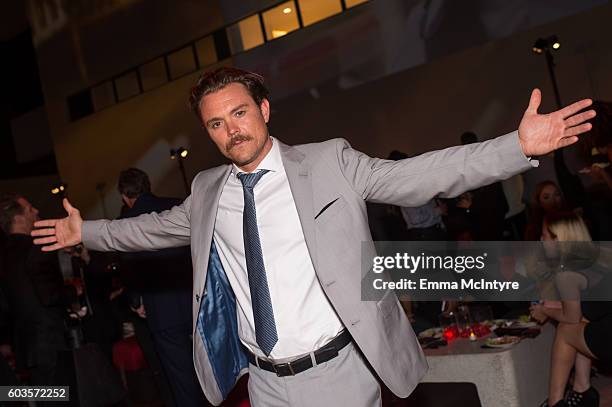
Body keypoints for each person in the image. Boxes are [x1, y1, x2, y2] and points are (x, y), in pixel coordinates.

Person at [32, 67, 596, 406]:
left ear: (264, 109)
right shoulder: (207, 190)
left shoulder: (329, 163)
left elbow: (416, 175)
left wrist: (515, 147)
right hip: (264, 382)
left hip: (339, 373)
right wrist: (90, 231)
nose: (232, 130)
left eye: (239, 113)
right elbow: (153, 228)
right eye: (216, 124)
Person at [116, 168, 206, 406]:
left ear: (124, 196)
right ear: (148, 185)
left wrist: (136, 302)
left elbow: (128, 268)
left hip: (161, 307)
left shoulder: (126, 221)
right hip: (196, 298)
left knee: (181, 378)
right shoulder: (177, 205)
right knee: (211, 370)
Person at [530, 212, 612, 407]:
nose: (541, 240)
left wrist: (545, 312)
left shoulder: (566, 274)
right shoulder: (601, 256)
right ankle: (583, 390)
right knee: (579, 326)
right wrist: (556, 306)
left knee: (566, 331)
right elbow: (593, 306)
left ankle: (555, 402)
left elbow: (571, 317)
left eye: (545, 236)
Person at [0, 193, 78, 385]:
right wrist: (73, 291)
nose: (36, 211)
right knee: (65, 396)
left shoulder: (2, 256)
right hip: (50, 341)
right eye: (30, 209)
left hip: (25, 347)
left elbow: (4, 305)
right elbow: (49, 296)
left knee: (47, 398)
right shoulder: (37, 246)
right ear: (18, 219)